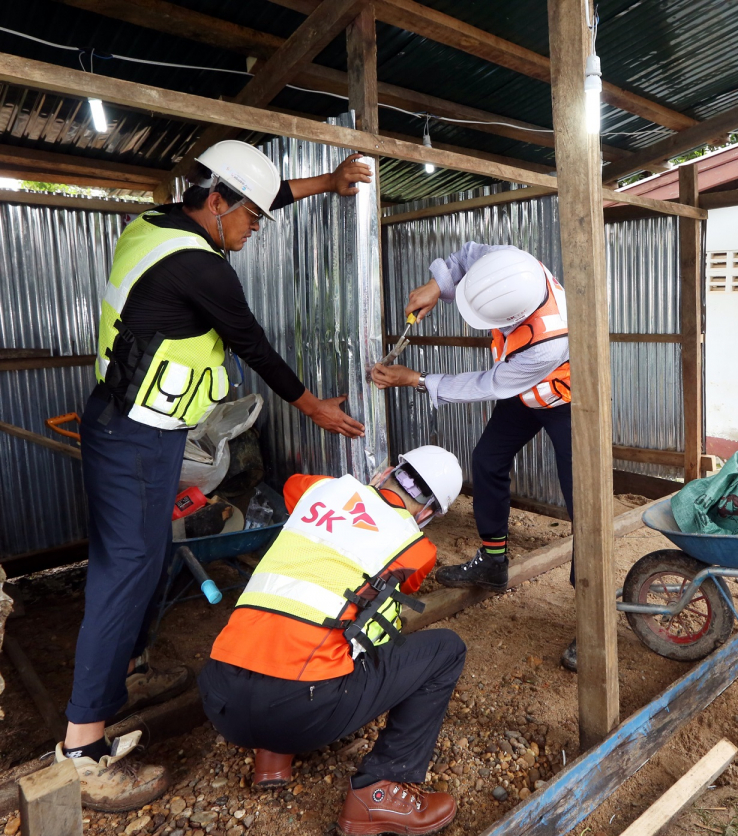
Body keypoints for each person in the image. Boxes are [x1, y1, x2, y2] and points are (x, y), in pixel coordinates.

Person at [56, 140, 370, 812]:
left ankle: (127, 675)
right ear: (218, 201)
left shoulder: (154, 224)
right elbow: (255, 345)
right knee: (125, 571)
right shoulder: (204, 271)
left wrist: (329, 182)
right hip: (137, 438)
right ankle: (82, 748)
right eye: (250, 216)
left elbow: (263, 192)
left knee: (141, 561)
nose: (255, 227)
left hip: (133, 426)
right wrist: (312, 405)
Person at [197, 447, 465, 836]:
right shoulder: (416, 546)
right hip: (300, 711)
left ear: (386, 471)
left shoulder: (321, 490)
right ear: (427, 515)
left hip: (220, 697)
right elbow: (403, 587)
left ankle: (271, 756)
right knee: (442, 648)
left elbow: (291, 487)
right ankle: (380, 788)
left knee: (291, 610)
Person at [369, 244, 579, 670]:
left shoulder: (547, 343)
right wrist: (437, 284)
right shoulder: (509, 262)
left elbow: (488, 383)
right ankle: (493, 562)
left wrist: (418, 380)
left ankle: (590, 620)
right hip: (524, 392)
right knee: (487, 460)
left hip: (567, 398)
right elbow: (466, 256)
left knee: (583, 503)